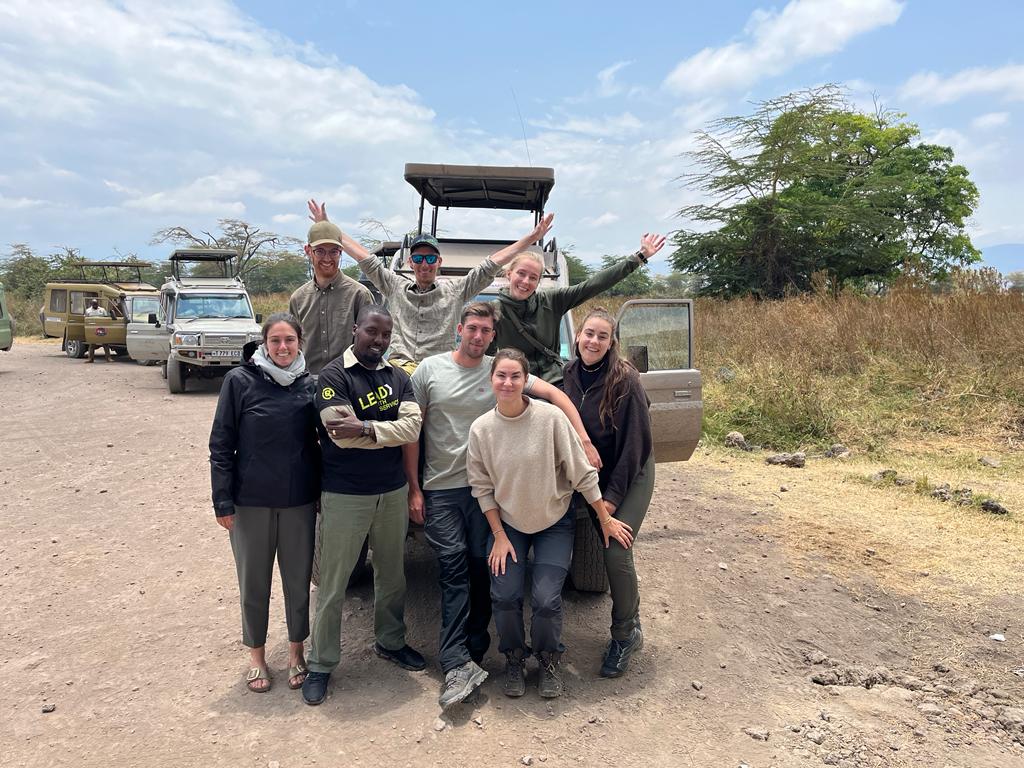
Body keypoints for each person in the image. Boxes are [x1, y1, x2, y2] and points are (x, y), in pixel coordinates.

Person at [407, 302, 600, 709]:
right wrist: (413, 487)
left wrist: (582, 438)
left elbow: (550, 394)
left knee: (485, 573)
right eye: (471, 328)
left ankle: (480, 650)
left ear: (494, 336)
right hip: (444, 488)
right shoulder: (429, 370)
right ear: (458, 329)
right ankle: (457, 660)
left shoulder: (503, 369)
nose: (477, 336)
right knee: (454, 569)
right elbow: (414, 430)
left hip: (490, 493)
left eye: (485, 330)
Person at [467, 349, 632, 699]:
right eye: (501, 376)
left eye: (515, 376)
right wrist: (497, 535)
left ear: (526, 380)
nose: (508, 382)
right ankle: (513, 657)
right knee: (506, 594)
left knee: (545, 599)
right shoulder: (481, 429)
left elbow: (582, 473)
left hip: (553, 521)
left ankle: (548, 658)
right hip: (509, 524)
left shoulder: (551, 419)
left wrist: (604, 519)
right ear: (491, 380)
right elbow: (481, 488)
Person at [302, 305, 425, 706]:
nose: (379, 340)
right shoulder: (333, 376)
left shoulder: (398, 376)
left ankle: (390, 642)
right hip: (344, 494)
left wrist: (367, 427)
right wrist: (379, 432)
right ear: (357, 329)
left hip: (391, 492)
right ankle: (320, 663)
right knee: (334, 585)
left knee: (392, 577)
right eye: (372, 332)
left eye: (386, 335)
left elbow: (412, 427)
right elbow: (339, 433)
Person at [307, 199, 553, 373]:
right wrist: (330, 230)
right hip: (397, 373)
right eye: (419, 258)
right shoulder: (394, 286)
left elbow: (490, 265)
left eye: (431, 258)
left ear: (439, 262)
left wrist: (531, 239)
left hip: (438, 373)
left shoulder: (456, 291)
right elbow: (365, 259)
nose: (425, 264)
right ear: (410, 262)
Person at [208, 312, 320, 693]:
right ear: (264, 344)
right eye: (276, 341)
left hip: (298, 501)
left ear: (300, 342)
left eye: (290, 340)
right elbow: (221, 444)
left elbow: (322, 443)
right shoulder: (239, 381)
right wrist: (222, 500)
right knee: (253, 582)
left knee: (297, 582)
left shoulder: (311, 384)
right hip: (249, 502)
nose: (283, 347)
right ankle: (256, 657)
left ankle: (295, 652)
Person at [563, 307, 655, 678]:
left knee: (615, 549)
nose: (594, 341)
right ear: (578, 336)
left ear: (611, 342)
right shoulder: (567, 375)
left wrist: (610, 505)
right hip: (591, 476)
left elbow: (635, 448)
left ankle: (625, 633)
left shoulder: (626, 380)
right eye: (589, 334)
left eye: (602, 336)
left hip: (630, 473)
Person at [490, 233, 667, 386]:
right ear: (509, 273)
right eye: (521, 274)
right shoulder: (493, 311)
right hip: (515, 385)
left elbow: (592, 285)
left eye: (533, 277)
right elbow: (486, 358)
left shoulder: (552, 300)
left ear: (538, 282)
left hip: (555, 383)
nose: (526, 281)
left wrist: (638, 258)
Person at [288, 220, 374, 374]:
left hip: (349, 383)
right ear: (308, 250)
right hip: (307, 382)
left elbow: (371, 344)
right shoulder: (298, 299)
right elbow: (293, 345)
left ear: (341, 251)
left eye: (333, 251)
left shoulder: (359, 295)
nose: (327, 258)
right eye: (320, 251)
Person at [84, 298, 111, 363]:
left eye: (96, 304)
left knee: (105, 343)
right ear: (91, 304)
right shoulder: (88, 311)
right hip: (93, 329)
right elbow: (85, 319)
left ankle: (108, 358)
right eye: (94, 304)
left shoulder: (102, 310)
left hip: (102, 328)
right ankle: (90, 359)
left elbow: (106, 318)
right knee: (92, 344)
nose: (95, 305)